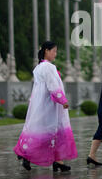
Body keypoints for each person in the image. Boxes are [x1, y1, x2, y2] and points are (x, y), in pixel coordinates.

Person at [14, 41, 78, 171]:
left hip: (41, 103)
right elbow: (52, 86)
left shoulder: (38, 67)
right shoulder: (48, 67)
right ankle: (27, 155)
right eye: (54, 51)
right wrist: (63, 100)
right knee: (50, 131)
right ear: (46, 51)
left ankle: (57, 161)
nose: (55, 54)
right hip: (50, 104)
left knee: (46, 130)